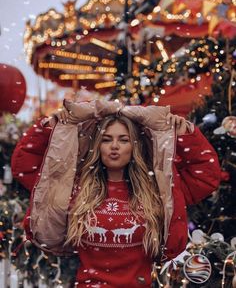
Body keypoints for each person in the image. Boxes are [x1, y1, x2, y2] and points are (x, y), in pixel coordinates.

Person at [11, 99, 221, 287]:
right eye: (106, 139)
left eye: (123, 139)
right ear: (97, 146)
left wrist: (184, 133)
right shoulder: (76, 188)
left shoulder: (159, 190)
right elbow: (24, 166)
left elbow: (207, 176)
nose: (114, 147)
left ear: (134, 146)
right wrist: (49, 127)